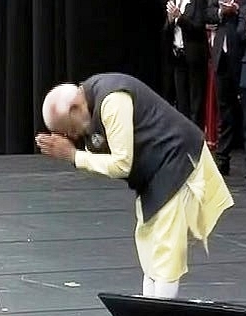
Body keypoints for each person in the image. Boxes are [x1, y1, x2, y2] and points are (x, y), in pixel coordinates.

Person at [35, 72, 234, 298]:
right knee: (149, 246)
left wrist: (73, 156)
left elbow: (122, 164)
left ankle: (161, 314)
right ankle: (149, 311)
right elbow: (103, 154)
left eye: (67, 129)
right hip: (154, 171)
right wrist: (76, 153)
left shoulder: (112, 101)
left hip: (177, 160)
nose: (71, 135)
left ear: (74, 109)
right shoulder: (90, 108)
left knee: (166, 249)